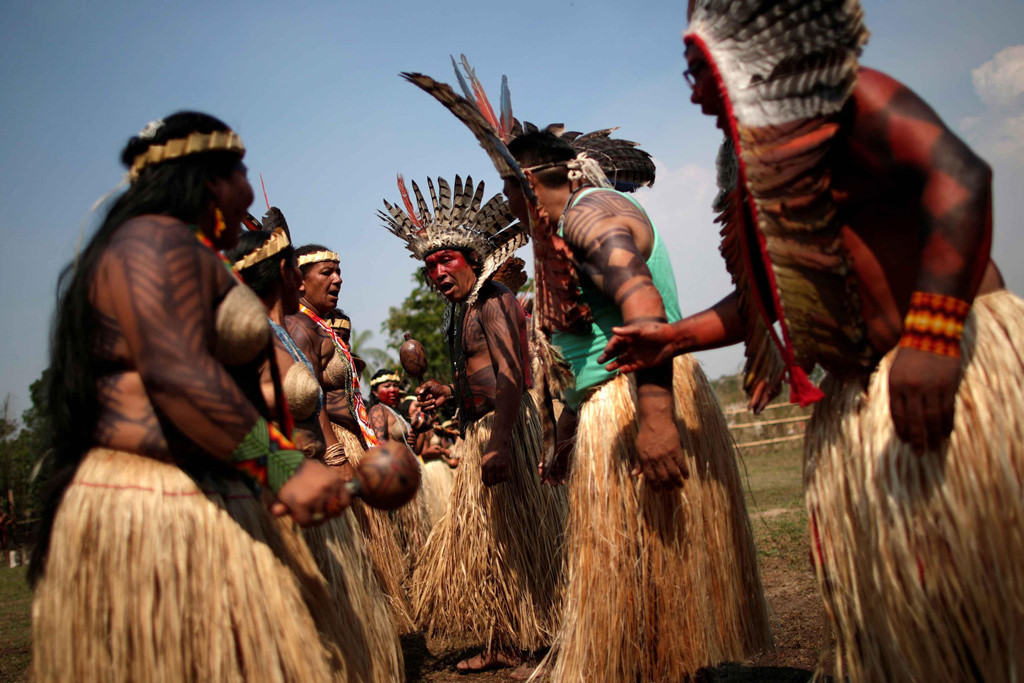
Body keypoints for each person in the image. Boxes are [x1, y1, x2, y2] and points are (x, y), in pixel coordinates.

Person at [600, 2, 1024, 679]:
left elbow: (962, 178)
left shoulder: (851, 100)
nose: (691, 91)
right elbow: (761, 297)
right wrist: (674, 337)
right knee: (909, 627)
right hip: (868, 395)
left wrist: (935, 335)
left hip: (954, 369)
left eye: (694, 70)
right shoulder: (747, 163)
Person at [30, 112, 355, 681]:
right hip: (151, 502)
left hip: (196, 493)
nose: (250, 189)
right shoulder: (154, 242)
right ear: (211, 182)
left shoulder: (177, 248)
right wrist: (280, 465)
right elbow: (176, 374)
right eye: (243, 172)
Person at [502, 131, 771, 681]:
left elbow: (642, 303)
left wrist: (654, 422)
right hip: (623, 400)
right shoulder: (575, 219)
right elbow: (593, 343)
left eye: (506, 188)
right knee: (646, 584)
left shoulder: (587, 216)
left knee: (643, 574)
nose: (506, 205)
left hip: (638, 399)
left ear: (526, 181)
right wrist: (570, 432)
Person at [382, 174, 566, 673]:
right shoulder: (461, 309)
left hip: (505, 430)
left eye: (446, 260)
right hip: (482, 429)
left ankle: (524, 635)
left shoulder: (492, 299)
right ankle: (516, 633)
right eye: (428, 265)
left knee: (509, 542)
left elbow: (511, 372)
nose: (437, 271)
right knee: (497, 545)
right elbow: (483, 370)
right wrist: (449, 390)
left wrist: (500, 442)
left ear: (472, 259)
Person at [225, 217, 404, 682]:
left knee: (339, 599)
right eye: (318, 271)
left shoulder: (285, 333)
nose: (337, 280)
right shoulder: (248, 335)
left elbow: (316, 405)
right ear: (288, 275)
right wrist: (294, 466)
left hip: (314, 485)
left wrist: (334, 455)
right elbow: (232, 417)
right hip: (282, 493)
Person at [286, 244, 413, 631]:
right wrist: (335, 453)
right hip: (330, 447)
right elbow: (309, 395)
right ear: (300, 282)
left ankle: (373, 623)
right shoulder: (297, 326)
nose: (338, 279)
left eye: (338, 271)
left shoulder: (323, 326)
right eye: (326, 272)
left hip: (352, 443)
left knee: (369, 544)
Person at [367, 369, 432, 561]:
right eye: (387, 386)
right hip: (396, 477)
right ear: (375, 392)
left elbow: (416, 449)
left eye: (395, 385)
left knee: (417, 536)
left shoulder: (398, 415)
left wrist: (420, 428)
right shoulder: (378, 410)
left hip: (410, 478)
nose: (393, 389)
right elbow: (379, 445)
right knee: (403, 537)